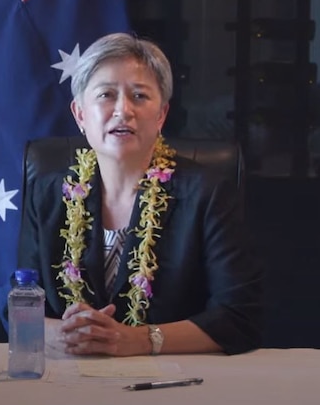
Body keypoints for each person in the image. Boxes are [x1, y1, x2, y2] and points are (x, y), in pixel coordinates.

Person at [17, 33, 262, 356]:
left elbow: (238, 317)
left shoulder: (208, 194)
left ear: (161, 115)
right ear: (79, 114)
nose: (123, 110)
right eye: (106, 95)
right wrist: (65, 334)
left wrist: (139, 340)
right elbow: (21, 307)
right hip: (70, 375)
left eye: (139, 96)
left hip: (177, 381)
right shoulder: (47, 193)